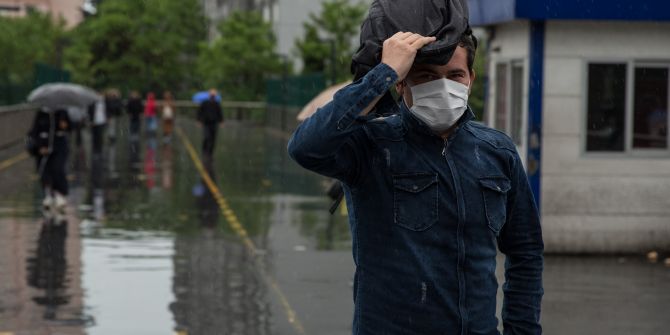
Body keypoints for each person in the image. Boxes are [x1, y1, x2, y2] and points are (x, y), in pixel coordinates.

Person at [287, 1, 543, 334]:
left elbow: (525, 252)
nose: (443, 86)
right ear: (401, 84)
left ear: (471, 79)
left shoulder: (497, 151)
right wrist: (382, 72)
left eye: (454, 76)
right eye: (426, 77)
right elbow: (305, 148)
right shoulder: (371, 145)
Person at [28, 107, 71, 219]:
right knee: (44, 171)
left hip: (59, 147)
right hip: (43, 147)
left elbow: (71, 127)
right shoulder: (41, 113)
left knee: (57, 169)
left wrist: (65, 125)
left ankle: (59, 194)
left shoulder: (63, 112)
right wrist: (39, 147)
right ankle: (48, 194)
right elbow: (34, 131)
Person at [197, 89, 224, 157]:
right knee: (206, 136)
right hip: (206, 123)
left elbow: (219, 113)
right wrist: (199, 120)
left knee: (213, 137)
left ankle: (210, 151)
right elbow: (200, 112)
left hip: (214, 123)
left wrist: (221, 121)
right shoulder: (205, 103)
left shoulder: (216, 104)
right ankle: (205, 150)